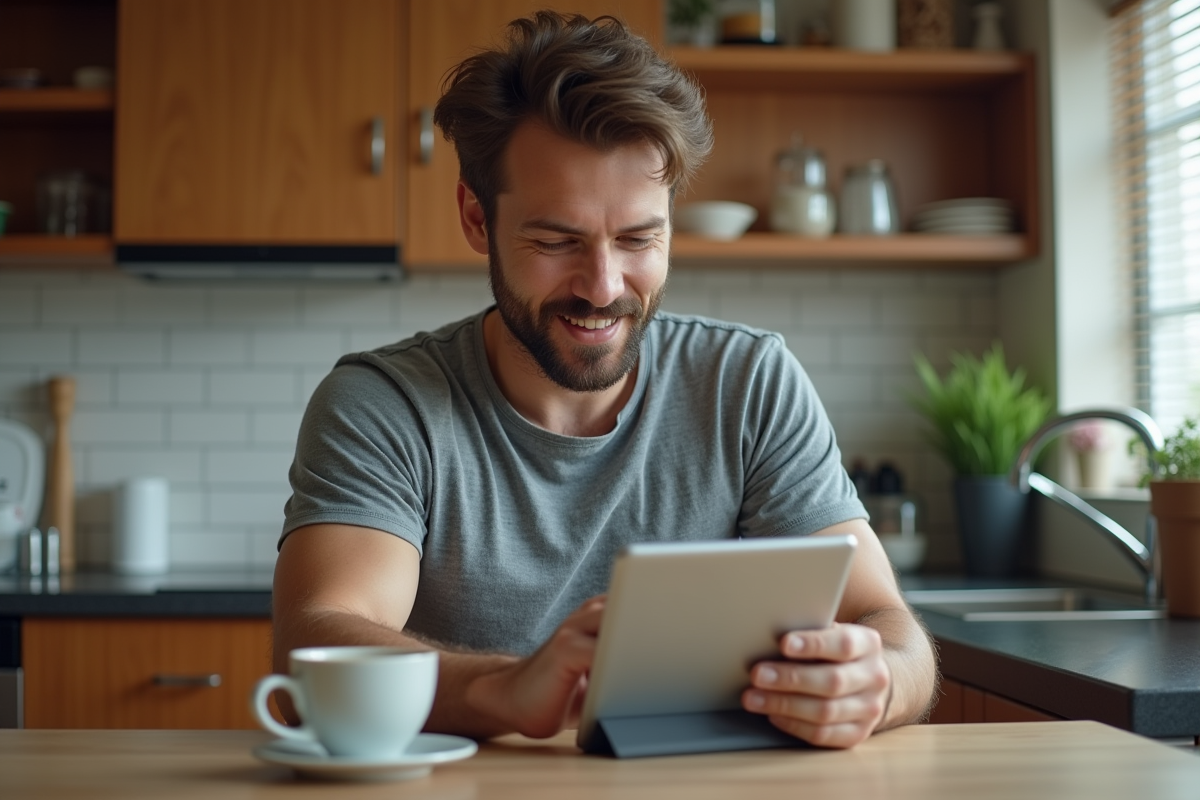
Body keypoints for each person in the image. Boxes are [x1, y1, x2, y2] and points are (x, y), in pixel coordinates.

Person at [273, 10, 937, 750]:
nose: (603, 286)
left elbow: (888, 625)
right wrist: (506, 689)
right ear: (476, 219)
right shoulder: (385, 404)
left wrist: (876, 684)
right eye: (557, 241)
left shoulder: (747, 383)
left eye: (638, 238)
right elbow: (318, 638)